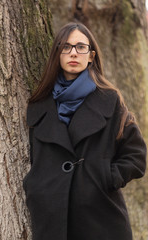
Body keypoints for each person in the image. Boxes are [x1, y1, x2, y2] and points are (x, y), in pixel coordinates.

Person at [23, 22, 147, 240]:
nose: (73, 53)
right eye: (66, 47)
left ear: (91, 55)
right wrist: (37, 187)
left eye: (81, 47)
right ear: (57, 54)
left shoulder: (110, 100)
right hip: (50, 219)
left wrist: (105, 178)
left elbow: (136, 155)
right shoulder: (39, 104)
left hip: (101, 219)